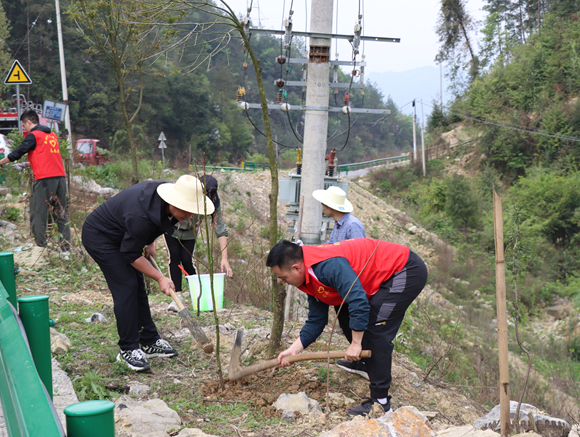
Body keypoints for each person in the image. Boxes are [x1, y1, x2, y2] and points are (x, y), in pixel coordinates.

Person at [266, 238, 428, 416]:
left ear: (296, 267)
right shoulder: (309, 275)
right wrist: (294, 350)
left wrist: (357, 343)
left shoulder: (327, 266)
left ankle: (380, 402)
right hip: (387, 275)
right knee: (343, 310)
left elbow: (358, 301)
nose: (282, 281)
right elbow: (317, 320)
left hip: (404, 270)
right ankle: (368, 364)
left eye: (282, 277)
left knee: (375, 328)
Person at [82, 175, 214, 371]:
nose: (189, 215)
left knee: (137, 285)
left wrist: (149, 243)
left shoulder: (165, 199)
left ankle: (149, 340)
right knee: (126, 285)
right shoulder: (141, 216)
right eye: (187, 209)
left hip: (124, 235)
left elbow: (155, 223)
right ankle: (128, 348)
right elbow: (131, 253)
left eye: (192, 210)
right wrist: (160, 277)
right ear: (174, 201)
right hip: (101, 236)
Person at [0, 109, 70, 252]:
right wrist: (26, 164)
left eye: (24, 125)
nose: (24, 129)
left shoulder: (34, 135)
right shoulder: (52, 136)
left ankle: (41, 248)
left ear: (28, 122)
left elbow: (17, 152)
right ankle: (66, 249)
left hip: (45, 180)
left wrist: (1, 162)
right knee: (60, 213)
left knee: (38, 212)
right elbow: (46, 158)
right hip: (60, 179)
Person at [163, 173, 233, 296]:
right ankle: (178, 294)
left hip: (190, 232)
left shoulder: (214, 201)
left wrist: (224, 258)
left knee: (187, 260)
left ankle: (198, 292)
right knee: (175, 258)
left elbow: (220, 228)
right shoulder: (187, 193)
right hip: (172, 229)